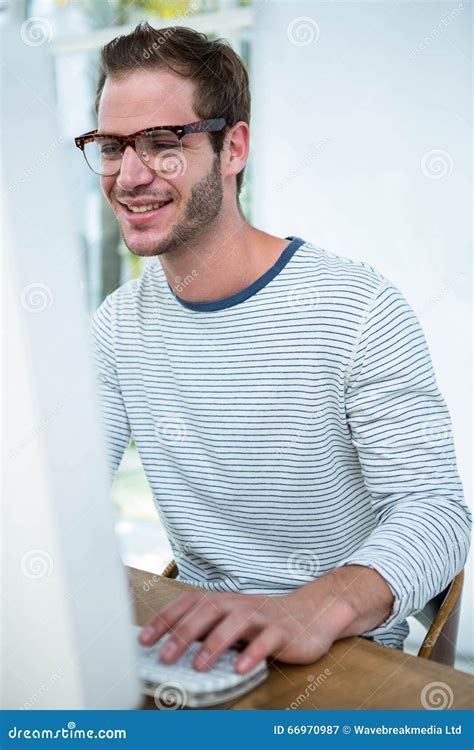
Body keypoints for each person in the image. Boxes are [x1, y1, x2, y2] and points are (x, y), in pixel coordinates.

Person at [78, 22, 471, 676]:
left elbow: (434, 515)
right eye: (113, 146)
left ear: (233, 149)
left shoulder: (358, 308)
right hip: (196, 651)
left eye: (163, 143)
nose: (130, 175)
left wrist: (309, 608)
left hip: (343, 660)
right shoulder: (119, 325)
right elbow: (63, 491)